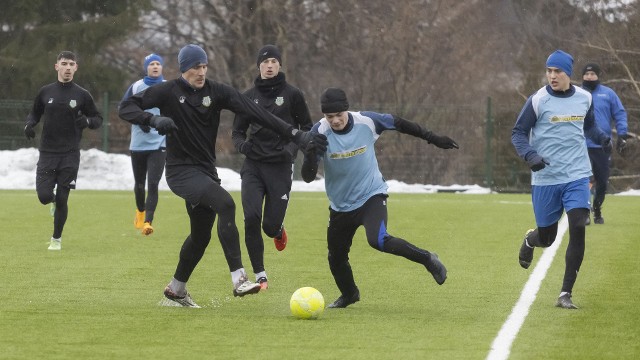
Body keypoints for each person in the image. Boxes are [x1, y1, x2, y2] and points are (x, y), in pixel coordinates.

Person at [119, 44, 327, 307]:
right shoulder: (167, 91)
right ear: (184, 68)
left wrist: (296, 134)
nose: (201, 72)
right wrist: (152, 120)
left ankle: (176, 289)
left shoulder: (217, 92)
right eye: (196, 67)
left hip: (206, 171)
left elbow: (258, 113)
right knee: (226, 204)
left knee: (200, 236)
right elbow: (125, 107)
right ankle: (240, 280)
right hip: (180, 172)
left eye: (204, 66)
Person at [300, 87, 458, 308]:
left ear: (347, 110)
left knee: (378, 240)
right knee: (335, 257)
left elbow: (401, 124)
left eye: (339, 115)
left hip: (371, 195)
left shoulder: (368, 121)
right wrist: (309, 155)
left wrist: (433, 138)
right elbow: (307, 177)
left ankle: (427, 259)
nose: (335, 121)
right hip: (340, 206)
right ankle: (349, 294)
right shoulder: (319, 132)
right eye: (329, 116)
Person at [512, 50, 611, 309]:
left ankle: (565, 293)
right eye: (549, 71)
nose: (552, 76)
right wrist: (530, 155)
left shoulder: (585, 98)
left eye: (558, 71)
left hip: (577, 174)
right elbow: (519, 133)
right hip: (546, 179)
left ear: (569, 74)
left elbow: (588, 126)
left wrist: (602, 137)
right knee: (547, 238)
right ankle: (529, 241)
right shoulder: (538, 100)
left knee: (578, 224)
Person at [231, 44, 313, 290]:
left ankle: (278, 230)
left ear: (280, 65)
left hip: (280, 166)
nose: (269, 66)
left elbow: (307, 128)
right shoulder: (248, 96)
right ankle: (260, 274)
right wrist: (243, 147)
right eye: (265, 62)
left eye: (274, 62)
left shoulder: (293, 95)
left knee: (268, 226)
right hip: (254, 165)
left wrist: (291, 150)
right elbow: (236, 132)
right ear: (258, 66)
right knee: (251, 217)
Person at [24, 51, 103, 251]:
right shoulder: (45, 92)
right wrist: (29, 125)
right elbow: (35, 113)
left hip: (70, 153)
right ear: (56, 66)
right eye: (64, 63)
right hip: (48, 152)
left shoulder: (82, 95)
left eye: (71, 64)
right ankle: (51, 200)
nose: (68, 67)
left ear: (76, 68)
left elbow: (97, 119)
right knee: (43, 196)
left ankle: (56, 239)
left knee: (63, 197)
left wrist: (87, 121)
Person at [120, 53, 167, 235]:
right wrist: (141, 121)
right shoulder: (137, 86)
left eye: (158, 63)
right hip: (139, 144)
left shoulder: (168, 86)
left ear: (162, 67)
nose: (155, 66)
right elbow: (124, 109)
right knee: (140, 184)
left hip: (159, 143)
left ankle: (148, 222)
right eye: (151, 64)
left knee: (153, 183)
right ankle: (140, 211)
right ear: (146, 68)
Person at [581, 62, 629, 225]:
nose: (589, 77)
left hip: (602, 146)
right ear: (582, 76)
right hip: (581, 145)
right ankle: (585, 212)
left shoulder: (608, 94)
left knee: (602, 182)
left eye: (592, 74)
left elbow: (620, 114)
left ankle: (597, 208)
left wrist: (622, 135)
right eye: (586, 74)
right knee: (584, 180)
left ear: (598, 76)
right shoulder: (577, 94)